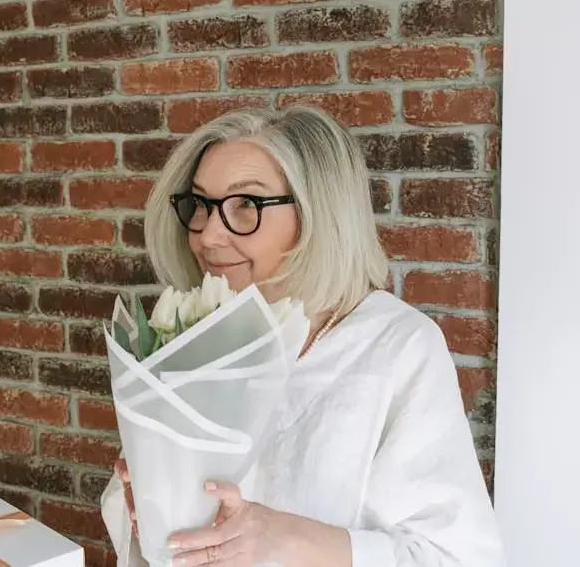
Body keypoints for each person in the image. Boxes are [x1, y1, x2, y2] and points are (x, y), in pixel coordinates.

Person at [100, 106, 504, 566]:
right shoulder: (197, 330)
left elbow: (458, 557)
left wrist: (285, 539)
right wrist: (148, 512)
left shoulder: (398, 348)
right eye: (200, 205)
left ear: (318, 217)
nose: (208, 236)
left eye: (244, 206)